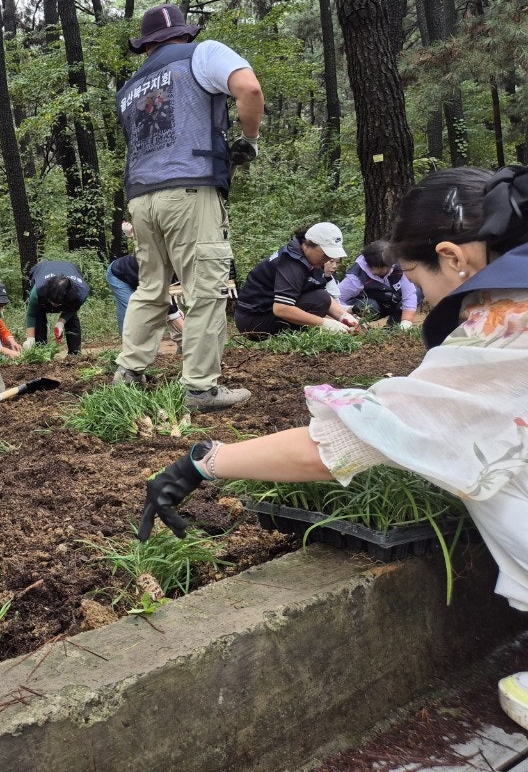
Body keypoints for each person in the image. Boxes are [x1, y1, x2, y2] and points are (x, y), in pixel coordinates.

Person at [136, 165, 528, 735]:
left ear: (453, 257)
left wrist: (202, 461)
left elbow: (343, 443)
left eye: (415, 276)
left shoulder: (503, 334)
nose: (420, 292)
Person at [112, 3, 263, 412]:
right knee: (205, 290)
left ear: (146, 47)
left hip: (141, 198)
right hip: (191, 190)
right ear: (184, 34)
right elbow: (249, 89)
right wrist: (249, 140)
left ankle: (128, 374)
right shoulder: (204, 54)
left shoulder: (129, 88)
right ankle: (200, 389)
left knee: (150, 287)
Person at [233, 222, 361, 337]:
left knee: (320, 297)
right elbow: (281, 308)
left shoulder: (310, 261)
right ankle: (300, 337)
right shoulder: (292, 264)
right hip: (253, 321)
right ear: (308, 245)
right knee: (317, 300)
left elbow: (321, 294)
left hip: (264, 314)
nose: (328, 258)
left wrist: (343, 316)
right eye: (325, 253)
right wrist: (324, 323)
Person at [103, 252, 184, 341]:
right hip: (118, 275)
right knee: (131, 309)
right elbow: (170, 308)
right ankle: (130, 344)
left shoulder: (178, 267)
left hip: (139, 277)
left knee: (169, 308)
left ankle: (181, 342)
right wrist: (192, 337)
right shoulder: (161, 269)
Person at [339, 239, 419, 328]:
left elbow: (409, 295)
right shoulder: (355, 277)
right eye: (381, 268)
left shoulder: (400, 266)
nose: (386, 271)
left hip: (392, 301)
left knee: (418, 292)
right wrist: (351, 312)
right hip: (369, 307)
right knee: (368, 305)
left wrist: (406, 323)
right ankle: (359, 326)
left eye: (388, 267)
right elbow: (336, 301)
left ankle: (395, 327)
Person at [23, 260, 91, 355]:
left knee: (72, 318)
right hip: (42, 270)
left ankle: (74, 354)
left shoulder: (80, 293)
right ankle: (41, 352)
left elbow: (73, 308)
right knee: (39, 316)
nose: (55, 306)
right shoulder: (38, 291)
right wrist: (30, 338)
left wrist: (61, 322)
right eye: (53, 302)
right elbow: (31, 314)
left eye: (58, 304)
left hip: (70, 271)